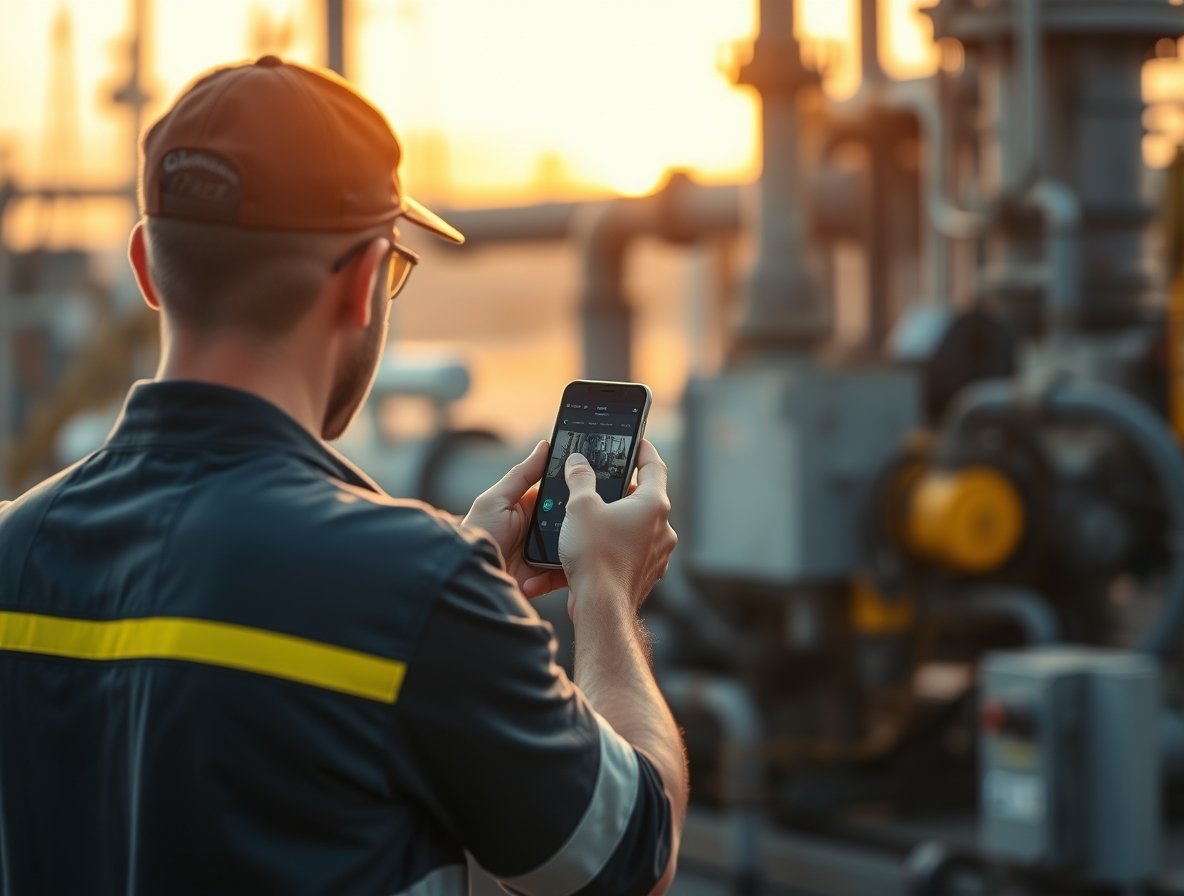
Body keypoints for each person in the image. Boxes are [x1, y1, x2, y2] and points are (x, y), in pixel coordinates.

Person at [0, 57, 685, 895]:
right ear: (365, 282)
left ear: (145, 265)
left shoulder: (15, 549)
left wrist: (459, 595)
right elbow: (627, 854)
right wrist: (604, 595)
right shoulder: (414, 590)